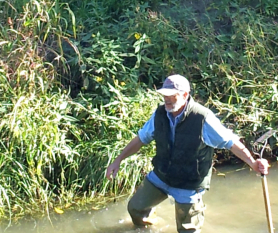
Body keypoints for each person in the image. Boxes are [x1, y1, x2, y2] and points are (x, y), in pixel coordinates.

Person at [106, 74, 269, 233]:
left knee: (187, 230)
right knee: (135, 208)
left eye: (171, 95)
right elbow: (141, 139)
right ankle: (151, 226)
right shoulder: (160, 114)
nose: (166, 99)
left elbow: (231, 143)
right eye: (164, 95)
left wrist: (253, 163)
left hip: (189, 182)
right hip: (162, 175)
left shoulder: (202, 118)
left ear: (185, 95)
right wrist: (118, 160)